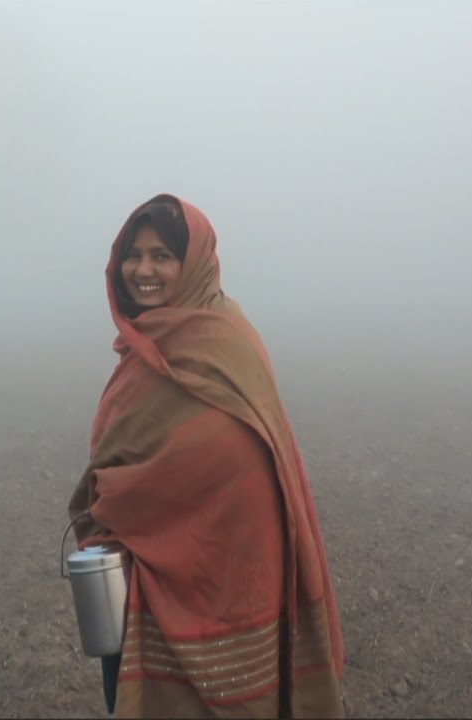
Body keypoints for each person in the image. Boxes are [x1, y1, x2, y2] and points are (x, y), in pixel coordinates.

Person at [68, 194, 345, 717]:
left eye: (162, 255)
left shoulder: (224, 341)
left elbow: (225, 457)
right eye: (133, 254)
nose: (143, 270)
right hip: (140, 576)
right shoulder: (143, 347)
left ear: (192, 263)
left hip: (227, 573)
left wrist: (119, 503)